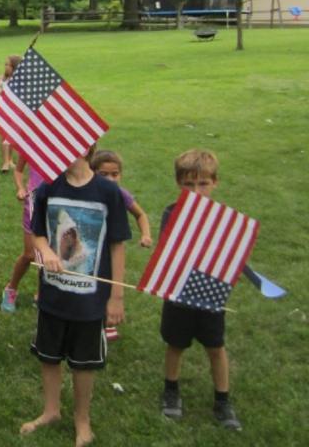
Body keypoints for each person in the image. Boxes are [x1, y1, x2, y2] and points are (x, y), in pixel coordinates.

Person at [20, 147, 130, 447]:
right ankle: (51, 410)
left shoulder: (108, 192)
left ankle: (82, 420)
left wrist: (116, 296)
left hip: (90, 299)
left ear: (83, 148)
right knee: (49, 355)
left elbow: (118, 245)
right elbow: (39, 233)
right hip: (53, 292)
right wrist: (46, 251)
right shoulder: (48, 188)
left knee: (84, 362)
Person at [158, 149, 241, 430]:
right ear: (179, 184)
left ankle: (222, 399)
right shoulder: (171, 214)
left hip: (209, 294)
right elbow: (168, 253)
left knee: (216, 347)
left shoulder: (223, 220)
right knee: (175, 344)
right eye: (188, 184)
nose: (196, 190)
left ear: (214, 182)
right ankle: (171, 390)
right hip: (179, 294)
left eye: (203, 183)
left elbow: (228, 255)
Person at [90, 149, 153, 340]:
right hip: (93, 244)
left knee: (109, 282)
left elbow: (140, 214)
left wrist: (146, 234)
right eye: (104, 174)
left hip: (112, 245)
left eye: (115, 174)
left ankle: (108, 321)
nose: (111, 179)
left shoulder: (120, 194)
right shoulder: (90, 192)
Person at [1, 154, 43, 313]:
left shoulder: (66, 145)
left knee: (49, 255)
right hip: (33, 201)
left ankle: (42, 293)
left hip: (57, 202)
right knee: (30, 254)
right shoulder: (31, 146)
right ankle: (11, 288)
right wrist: (21, 187)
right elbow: (18, 170)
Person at [0, 55, 22, 172]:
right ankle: (5, 162)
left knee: (11, 136)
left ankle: (10, 159)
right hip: (3, 111)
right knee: (4, 136)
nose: (6, 67)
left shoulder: (19, 82)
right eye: (5, 65)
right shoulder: (0, 79)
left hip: (15, 111)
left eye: (8, 65)